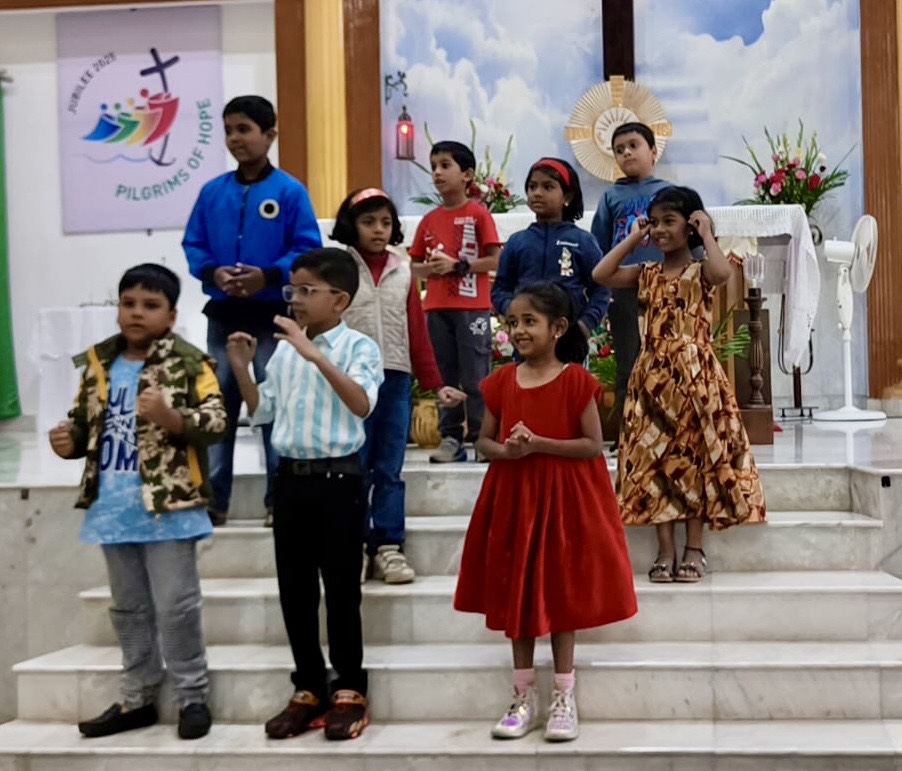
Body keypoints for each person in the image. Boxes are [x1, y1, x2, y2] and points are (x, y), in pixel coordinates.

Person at [47, 264, 226, 740]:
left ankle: (192, 696)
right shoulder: (99, 363)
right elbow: (83, 426)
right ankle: (137, 696)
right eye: (128, 304)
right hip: (113, 509)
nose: (137, 313)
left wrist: (171, 417)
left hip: (171, 509)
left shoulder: (190, 363)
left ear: (171, 315)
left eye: (150, 305)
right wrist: (68, 442)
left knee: (176, 608)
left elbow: (216, 422)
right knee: (129, 611)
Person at [453, 282, 637, 742]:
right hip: (515, 499)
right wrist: (508, 451)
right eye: (512, 322)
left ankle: (563, 694)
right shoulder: (501, 382)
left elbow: (593, 444)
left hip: (562, 502)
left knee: (560, 593)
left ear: (558, 328)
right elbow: (484, 441)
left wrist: (539, 444)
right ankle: (522, 695)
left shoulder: (576, 381)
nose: (518, 330)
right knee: (517, 593)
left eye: (529, 321)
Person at [226, 247, 383, 741]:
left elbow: (361, 404)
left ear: (339, 300)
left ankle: (349, 688)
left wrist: (315, 354)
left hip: (339, 481)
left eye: (307, 290)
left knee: (341, 589)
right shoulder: (284, 350)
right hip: (290, 481)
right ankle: (309, 687)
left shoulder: (359, 347)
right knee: (294, 590)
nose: (294, 299)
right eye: (292, 289)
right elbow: (263, 411)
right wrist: (242, 369)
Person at [592, 186, 766, 583]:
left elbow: (722, 274)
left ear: (689, 225)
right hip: (652, 377)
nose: (659, 230)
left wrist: (707, 233)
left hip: (695, 376)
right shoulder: (646, 272)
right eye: (654, 223)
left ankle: (694, 548)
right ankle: (665, 550)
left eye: (668, 222)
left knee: (694, 457)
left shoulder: (701, 270)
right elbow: (601, 274)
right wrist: (634, 237)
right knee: (654, 459)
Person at [183, 94, 322, 527]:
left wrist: (270, 275)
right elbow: (193, 244)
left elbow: (307, 248)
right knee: (217, 408)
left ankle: (280, 499)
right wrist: (213, 271)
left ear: (270, 134)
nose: (235, 138)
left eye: (244, 129)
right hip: (223, 317)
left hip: (272, 319)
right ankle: (214, 501)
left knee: (273, 408)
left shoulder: (290, 191)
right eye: (228, 130)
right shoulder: (212, 193)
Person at [330, 188, 467, 584]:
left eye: (385, 222)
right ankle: (354, 545)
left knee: (389, 467)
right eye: (368, 222)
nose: (378, 230)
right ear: (351, 225)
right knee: (354, 467)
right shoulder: (338, 267)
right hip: (351, 381)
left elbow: (416, 331)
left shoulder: (403, 269)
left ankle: (389, 546)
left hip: (394, 378)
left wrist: (436, 384)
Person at [408, 140, 502, 463]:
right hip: (436, 308)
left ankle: (482, 437)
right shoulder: (428, 220)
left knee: (476, 376)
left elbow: (495, 260)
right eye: (434, 166)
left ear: (467, 175)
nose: (437, 172)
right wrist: (432, 269)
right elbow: (413, 266)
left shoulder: (478, 214)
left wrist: (458, 266)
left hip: (471, 307)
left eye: (445, 165)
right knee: (444, 376)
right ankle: (450, 438)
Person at [589, 122, 672, 434]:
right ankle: (629, 433)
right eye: (619, 150)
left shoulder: (670, 193)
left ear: (653, 151)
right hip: (624, 289)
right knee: (628, 360)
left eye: (633, 145)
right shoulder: (611, 196)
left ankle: (667, 431)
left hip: (665, 287)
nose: (626, 153)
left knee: (666, 359)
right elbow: (599, 246)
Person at [492, 157, 608, 338]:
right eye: (532, 187)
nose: (537, 193)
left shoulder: (583, 241)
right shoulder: (517, 241)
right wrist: (512, 310)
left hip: (569, 336)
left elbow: (601, 288)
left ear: (567, 197)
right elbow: (501, 288)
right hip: (526, 336)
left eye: (548, 187)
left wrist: (585, 324)